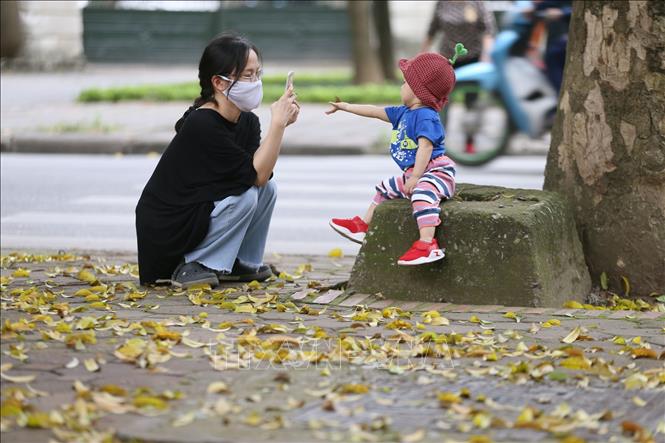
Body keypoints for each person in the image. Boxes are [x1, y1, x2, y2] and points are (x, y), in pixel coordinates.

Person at [135, 33, 299, 288]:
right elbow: (255, 175)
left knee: (266, 190)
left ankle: (235, 262)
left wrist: (280, 126)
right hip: (169, 226)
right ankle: (193, 264)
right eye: (247, 76)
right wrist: (277, 125)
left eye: (258, 74)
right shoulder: (203, 124)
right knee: (245, 195)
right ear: (219, 83)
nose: (255, 82)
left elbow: (261, 175)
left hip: (198, 211)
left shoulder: (247, 120)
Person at [326, 49, 463, 266]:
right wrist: (346, 107)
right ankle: (363, 226)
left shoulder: (427, 116)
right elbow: (375, 111)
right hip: (416, 173)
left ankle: (428, 244)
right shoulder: (404, 113)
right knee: (385, 187)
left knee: (422, 195)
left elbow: (425, 147)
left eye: (405, 83)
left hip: (436, 172)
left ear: (418, 91)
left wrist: (417, 177)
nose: (402, 87)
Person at [421, 0, 496, 67]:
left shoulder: (477, 3)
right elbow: (432, 30)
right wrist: (421, 56)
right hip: (447, 58)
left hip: (473, 58)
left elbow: (488, 31)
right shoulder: (442, 3)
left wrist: (486, 57)